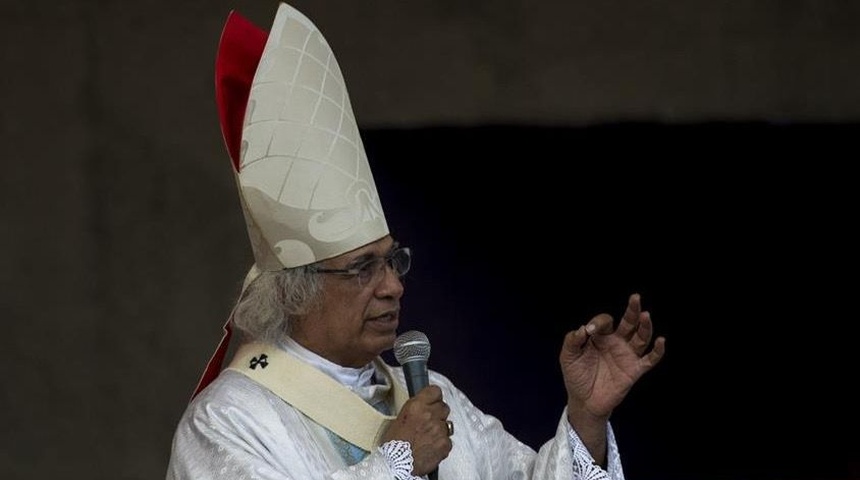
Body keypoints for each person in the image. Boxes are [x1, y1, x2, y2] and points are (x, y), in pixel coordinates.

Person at [166, 3, 666, 479]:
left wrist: (585, 418)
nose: (393, 288)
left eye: (393, 262)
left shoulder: (429, 393)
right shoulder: (230, 419)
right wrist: (397, 462)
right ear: (296, 291)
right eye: (364, 268)